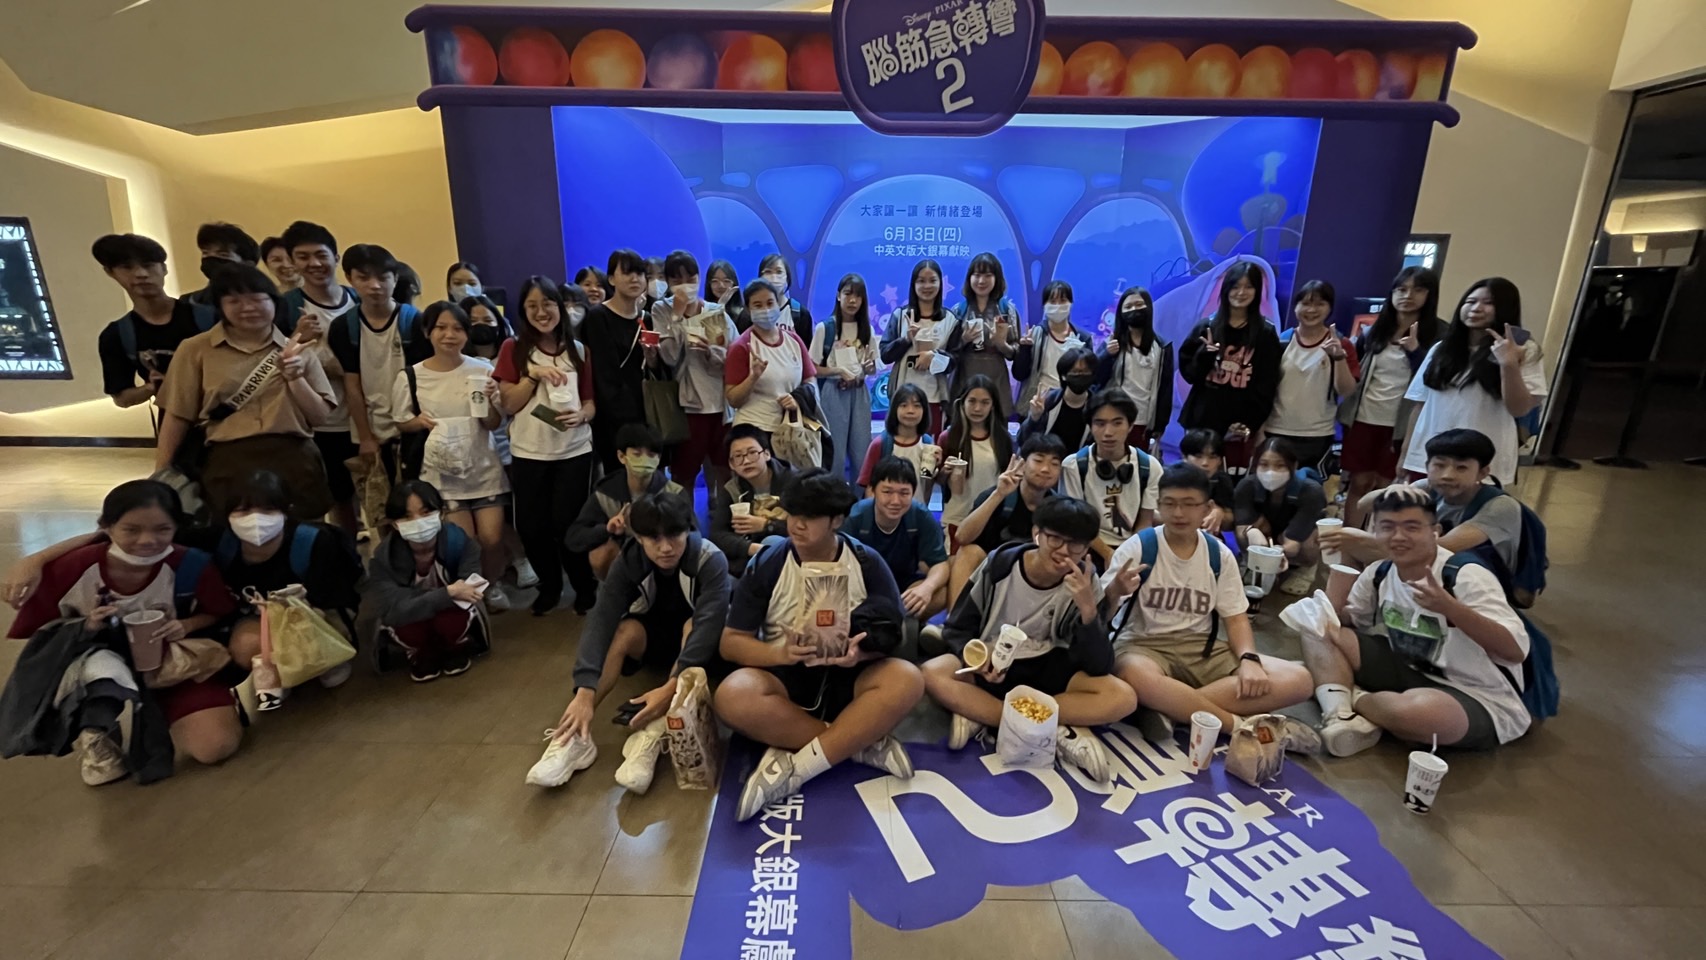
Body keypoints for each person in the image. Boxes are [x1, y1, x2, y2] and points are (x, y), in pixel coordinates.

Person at [713, 470, 922, 821]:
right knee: (732, 695)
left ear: (836, 520)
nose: (797, 525)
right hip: (785, 677)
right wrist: (779, 653)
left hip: (850, 674)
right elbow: (731, 643)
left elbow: (894, 633)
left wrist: (861, 652)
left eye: (809, 517)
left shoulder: (866, 561)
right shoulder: (768, 562)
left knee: (909, 678)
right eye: (793, 514)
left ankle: (798, 767)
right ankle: (857, 743)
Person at [3, 481, 242, 784]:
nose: (147, 540)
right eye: (131, 530)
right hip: (100, 660)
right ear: (106, 527)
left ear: (176, 527)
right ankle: (96, 730)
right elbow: (43, 638)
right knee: (97, 669)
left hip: (171, 663)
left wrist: (186, 625)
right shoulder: (73, 568)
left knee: (214, 746)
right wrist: (85, 626)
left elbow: (220, 611)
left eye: (162, 529)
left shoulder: (190, 565)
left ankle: (167, 711)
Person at [1302, 484, 1530, 756]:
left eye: (1411, 527)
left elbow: (1514, 652)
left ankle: (1347, 695)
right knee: (1317, 627)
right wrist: (1333, 598)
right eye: (1387, 527)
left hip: (1475, 694)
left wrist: (1450, 607)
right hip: (1408, 668)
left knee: (1413, 713)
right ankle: (1340, 716)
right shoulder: (1380, 572)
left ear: (1435, 532)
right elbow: (1348, 623)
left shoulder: (1464, 575)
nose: (1398, 536)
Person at [1107, 464, 1319, 748]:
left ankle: (1169, 707)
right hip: (1142, 646)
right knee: (1134, 674)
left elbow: (1236, 618)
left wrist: (1249, 659)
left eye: (1189, 504)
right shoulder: (1139, 547)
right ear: (1158, 505)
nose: (1179, 513)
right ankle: (1238, 725)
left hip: (1201, 648)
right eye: (1170, 503)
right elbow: (1100, 612)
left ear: (1207, 508)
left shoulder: (1218, 554)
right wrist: (1115, 591)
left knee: (1299, 679)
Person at [530, 494, 730, 792]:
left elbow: (708, 628)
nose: (665, 547)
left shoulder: (710, 559)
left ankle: (652, 734)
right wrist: (584, 690)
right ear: (638, 537)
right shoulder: (629, 561)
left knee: (692, 626)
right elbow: (601, 620)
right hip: (655, 638)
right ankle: (573, 735)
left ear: (688, 529)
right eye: (654, 538)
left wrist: (671, 686)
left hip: (701, 647)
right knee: (623, 631)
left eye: (674, 535)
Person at [924, 497, 1134, 773]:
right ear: (1037, 533)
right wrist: (977, 658)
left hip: (1050, 666)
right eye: (1055, 539)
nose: (1064, 551)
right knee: (932, 672)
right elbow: (957, 628)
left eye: (1075, 544)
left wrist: (1087, 609)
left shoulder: (1084, 580)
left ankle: (983, 713)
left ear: (1086, 548)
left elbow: (1098, 665)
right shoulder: (1001, 564)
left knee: (1123, 696)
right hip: (996, 663)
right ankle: (1048, 725)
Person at [153, 264, 336, 520]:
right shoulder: (195, 349)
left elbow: (319, 417)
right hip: (228, 461)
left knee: (303, 536)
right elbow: (177, 415)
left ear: (274, 302)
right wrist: (160, 475)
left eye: (257, 299)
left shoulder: (299, 350)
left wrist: (295, 378)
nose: (248, 307)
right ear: (220, 307)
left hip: (294, 459)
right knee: (233, 536)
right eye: (234, 301)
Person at [394, 301, 512, 611]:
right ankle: (471, 591)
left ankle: (492, 585)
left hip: (484, 466)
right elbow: (401, 421)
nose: (450, 335)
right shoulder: (412, 375)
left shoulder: (482, 370)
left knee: (492, 538)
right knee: (465, 541)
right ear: (427, 332)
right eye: (441, 328)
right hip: (442, 473)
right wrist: (419, 422)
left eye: (458, 328)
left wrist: (489, 402)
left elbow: (494, 423)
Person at [494, 276, 599, 616]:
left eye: (548, 304)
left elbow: (590, 402)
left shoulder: (579, 350)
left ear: (560, 307)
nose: (542, 312)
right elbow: (509, 403)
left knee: (569, 525)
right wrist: (533, 375)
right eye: (532, 306)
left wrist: (582, 415)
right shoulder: (513, 348)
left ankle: (584, 586)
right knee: (532, 528)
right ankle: (549, 587)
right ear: (523, 311)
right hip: (529, 452)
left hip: (574, 451)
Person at [1401, 278, 1546, 486]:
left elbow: (1519, 409)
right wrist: (1406, 454)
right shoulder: (1442, 349)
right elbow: (1420, 405)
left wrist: (1509, 364)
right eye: (1470, 301)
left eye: (1488, 303)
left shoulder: (1524, 350)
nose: (1476, 308)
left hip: (1482, 462)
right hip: (1430, 457)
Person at [1326, 429, 1524, 573]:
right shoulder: (1428, 487)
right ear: (1427, 466)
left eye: (1461, 468)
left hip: (1475, 581)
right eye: (1439, 465)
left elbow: (1442, 548)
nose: (1447, 475)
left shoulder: (1500, 506)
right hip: (1432, 569)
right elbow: (1364, 505)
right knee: (1350, 543)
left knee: (1354, 541)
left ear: (1482, 472)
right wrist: (1393, 491)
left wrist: (1363, 541)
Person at [1341, 267, 1444, 527]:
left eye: (1417, 289)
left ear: (1430, 295)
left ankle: (1379, 540)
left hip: (1403, 425)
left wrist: (1416, 352)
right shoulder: (1372, 332)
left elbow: (1438, 380)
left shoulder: (1440, 335)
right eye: (1401, 289)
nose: (1408, 295)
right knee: (1359, 482)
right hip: (1364, 418)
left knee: (1388, 486)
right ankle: (1351, 538)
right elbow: (1356, 373)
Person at [279, 221, 361, 534]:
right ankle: (344, 552)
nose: (314, 263)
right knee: (335, 497)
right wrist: (297, 338)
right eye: (303, 257)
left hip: (367, 416)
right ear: (292, 262)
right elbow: (276, 363)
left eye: (320, 255)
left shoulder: (359, 299)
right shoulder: (287, 307)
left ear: (335, 257)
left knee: (376, 496)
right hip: (322, 422)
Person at [365, 479, 491, 682]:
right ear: (395, 524)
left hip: (445, 612)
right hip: (414, 619)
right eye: (407, 516)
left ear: (441, 513)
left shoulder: (460, 543)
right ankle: (420, 652)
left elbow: (472, 590)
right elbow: (392, 611)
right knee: (410, 628)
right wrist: (447, 593)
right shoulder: (383, 559)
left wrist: (416, 600)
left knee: (452, 620)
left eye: (425, 512)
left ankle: (455, 645)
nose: (418, 521)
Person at [325, 243, 430, 482]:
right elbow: (352, 384)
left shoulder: (415, 322)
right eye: (364, 278)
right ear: (350, 278)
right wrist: (365, 437)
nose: (375, 285)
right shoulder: (343, 327)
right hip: (371, 430)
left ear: (395, 279)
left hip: (414, 426)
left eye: (383, 278)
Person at [1178, 262, 1282, 469]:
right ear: (1226, 289)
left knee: (1229, 478)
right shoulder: (1207, 327)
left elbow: (1267, 384)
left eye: (1248, 286)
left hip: (1238, 427)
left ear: (1257, 291)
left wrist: (1249, 423)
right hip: (1201, 420)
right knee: (1194, 476)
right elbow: (1189, 374)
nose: (1241, 293)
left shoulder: (1265, 334)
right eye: (1235, 286)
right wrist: (1205, 356)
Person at [91, 233, 211, 413]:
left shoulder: (208, 317)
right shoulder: (117, 334)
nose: (141, 274)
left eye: (148, 265)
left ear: (164, 268)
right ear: (110, 272)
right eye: (127, 267)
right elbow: (122, 398)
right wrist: (152, 387)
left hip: (228, 415)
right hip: (174, 419)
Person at [655, 249, 739, 493]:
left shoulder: (715, 311)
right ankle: (685, 517)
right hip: (687, 406)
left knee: (726, 470)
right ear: (668, 282)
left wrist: (711, 352)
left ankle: (725, 514)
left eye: (690, 279)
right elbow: (669, 357)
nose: (685, 285)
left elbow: (733, 356)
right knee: (684, 474)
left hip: (720, 404)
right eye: (677, 279)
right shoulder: (661, 309)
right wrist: (677, 316)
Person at [950, 434, 1067, 609]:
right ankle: (955, 621)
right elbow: (962, 537)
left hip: (1033, 574)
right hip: (991, 570)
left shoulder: (1059, 508)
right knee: (968, 552)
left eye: (1054, 464)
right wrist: (999, 494)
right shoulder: (998, 494)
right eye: (1038, 460)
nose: (1045, 469)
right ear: (1022, 463)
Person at [844, 457, 950, 644]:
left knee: (941, 592)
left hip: (905, 588)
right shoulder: (856, 517)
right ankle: (904, 628)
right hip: (865, 590)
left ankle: (901, 626)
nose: (895, 501)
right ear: (872, 490)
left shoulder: (920, 515)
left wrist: (926, 588)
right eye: (887, 492)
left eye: (904, 493)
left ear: (913, 493)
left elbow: (940, 564)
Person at [567, 423, 685, 579]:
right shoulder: (605, 493)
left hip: (663, 554)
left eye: (651, 455)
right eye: (637, 454)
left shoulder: (674, 492)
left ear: (658, 459)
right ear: (621, 456)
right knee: (600, 554)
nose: (644, 460)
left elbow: (694, 534)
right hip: (623, 558)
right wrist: (607, 529)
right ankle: (612, 589)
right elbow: (574, 537)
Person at [581, 249, 664, 470]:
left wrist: (653, 360)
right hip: (614, 421)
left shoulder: (646, 319)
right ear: (611, 279)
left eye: (640, 273)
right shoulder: (598, 316)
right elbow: (604, 375)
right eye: (627, 273)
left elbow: (655, 371)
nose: (635, 279)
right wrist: (630, 422)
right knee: (619, 478)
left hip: (648, 415)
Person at [1264, 280, 1359, 471]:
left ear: (1329, 308)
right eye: (1305, 303)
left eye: (1320, 304)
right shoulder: (1282, 340)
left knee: (1308, 486)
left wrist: (1338, 357)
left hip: (1317, 435)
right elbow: (1265, 388)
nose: (1311, 310)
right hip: (1275, 430)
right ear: (1295, 306)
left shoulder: (1342, 344)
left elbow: (1347, 391)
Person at [1060, 388, 1162, 565]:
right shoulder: (1074, 465)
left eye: (1117, 423)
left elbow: (1145, 522)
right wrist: (1108, 554)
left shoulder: (1149, 466)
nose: (1108, 432)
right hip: (1086, 545)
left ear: (1130, 426)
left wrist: (1130, 554)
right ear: (1090, 426)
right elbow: (1077, 522)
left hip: (1133, 546)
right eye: (1100, 424)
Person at [1234, 437, 1327, 594]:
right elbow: (1242, 525)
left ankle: (1305, 569)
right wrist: (1252, 532)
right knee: (1242, 533)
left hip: (1293, 536)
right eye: (1264, 464)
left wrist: (1274, 554)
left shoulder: (1311, 491)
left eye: (1280, 465)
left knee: (1308, 543)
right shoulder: (1247, 486)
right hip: (1268, 531)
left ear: (1294, 465)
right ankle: (1250, 562)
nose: (1271, 472)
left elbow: (1292, 544)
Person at [725, 279, 816, 436]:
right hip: (754, 431)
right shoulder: (741, 346)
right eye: (758, 305)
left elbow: (810, 380)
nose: (766, 310)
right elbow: (733, 400)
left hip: (790, 429)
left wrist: (799, 400)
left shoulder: (794, 340)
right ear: (748, 309)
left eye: (770, 303)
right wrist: (753, 377)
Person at [812, 273, 878, 485]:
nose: (852, 300)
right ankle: (834, 499)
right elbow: (812, 368)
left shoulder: (867, 329)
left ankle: (860, 500)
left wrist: (869, 368)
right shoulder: (825, 328)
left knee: (861, 453)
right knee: (836, 454)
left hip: (859, 393)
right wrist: (838, 371)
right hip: (833, 393)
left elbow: (872, 367)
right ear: (838, 295)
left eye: (858, 296)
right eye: (848, 294)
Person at [879, 259, 954, 436]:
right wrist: (906, 339)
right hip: (902, 397)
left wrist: (933, 356)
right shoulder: (900, 316)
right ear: (913, 284)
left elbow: (955, 359)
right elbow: (885, 355)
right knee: (902, 446)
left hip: (935, 397)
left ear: (940, 284)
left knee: (931, 448)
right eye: (921, 281)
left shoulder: (950, 319)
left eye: (932, 280)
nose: (927, 286)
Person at [711, 425, 799, 576]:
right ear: (731, 464)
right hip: (748, 556)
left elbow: (807, 526)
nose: (746, 461)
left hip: (792, 552)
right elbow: (717, 534)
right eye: (738, 456)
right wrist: (751, 548)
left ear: (767, 454)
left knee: (772, 541)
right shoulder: (732, 489)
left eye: (752, 453)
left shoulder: (794, 482)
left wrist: (767, 525)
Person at [1094, 287, 1173, 451]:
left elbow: (1166, 388)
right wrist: (1107, 355)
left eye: (1139, 304)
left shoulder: (1162, 347)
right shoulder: (1112, 342)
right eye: (1128, 307)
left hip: (1142, 420)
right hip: (1112, 416)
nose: (1134, 309)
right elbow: (1095, 378)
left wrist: (1160, 424)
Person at [938, 375, 1012, 545]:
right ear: (962, 402)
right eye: (972, 401)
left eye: (985, 402)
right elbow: (937, 480)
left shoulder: (1002, 439)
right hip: (957, 518)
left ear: (993, 406)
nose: (977, 408)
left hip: (991, 518)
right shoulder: (948, 437)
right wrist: (944, 472)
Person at [946, 253, 1020, 420]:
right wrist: (963, 340)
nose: (981, 281)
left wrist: (1002, 345)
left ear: (997, 278)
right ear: (969, 278)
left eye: (988, 275)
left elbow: (1016, 351)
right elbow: (948, 351)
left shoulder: (1007, 310)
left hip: (996, 377)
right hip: (964, 376)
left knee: (995, 427)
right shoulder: (959, 310)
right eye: (977, 275)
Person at [1014, 280, 1094, 413]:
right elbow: (1019, 374)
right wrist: (1024, 349)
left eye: (1062, 300)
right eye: (1052, 301)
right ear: (1044, 305)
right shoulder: (1035, 334)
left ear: (1071, 304)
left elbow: (1090, 377)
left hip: (1071, 402)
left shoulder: (1083, 338)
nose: (1057, 306)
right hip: (1038, 401)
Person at [855, 383, 935, 504]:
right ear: (894, 409)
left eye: (917, 406)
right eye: (904, 405)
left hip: (916, 511)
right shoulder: (881, 444)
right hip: (886, 510)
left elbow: (927, 485)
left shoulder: (928, 444)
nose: (910, 411)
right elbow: (869, 486)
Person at [1017, 346, 1097, 452]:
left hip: (1079, 461)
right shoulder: (1048, 401)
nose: (1081, 376)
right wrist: (1034, 418)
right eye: (1075, 371)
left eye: (1086, 372)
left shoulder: (1097, 407)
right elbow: (1023, 440)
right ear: (1064, 376)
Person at [183, 221, 260, 305]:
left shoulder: (261, 302)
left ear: (248, 264)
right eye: (205, 253)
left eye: (223, 255)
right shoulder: (189, 302)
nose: (211, 258)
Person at [1178, 428, 1236, 535]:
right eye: (1198, 456)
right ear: (1184, 457)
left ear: (1220, 461)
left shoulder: (1221, 480)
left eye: (1212, 457)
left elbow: (1230, 523)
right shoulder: (1170, 477)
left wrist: (1220, 514)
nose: (1205, 463)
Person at [758, 253, 814, 346]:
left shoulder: (801, 314)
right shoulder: (750, 313)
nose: (774, 277)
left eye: (779, 272)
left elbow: (806, 350)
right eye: (768, 272)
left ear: (787, 278)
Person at [706, 258, 747, 332]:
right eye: (715, 281)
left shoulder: (742, 313)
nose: (721, 285)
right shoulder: (702, 311)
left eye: (726, 281)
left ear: (734, 284)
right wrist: (719, 307)